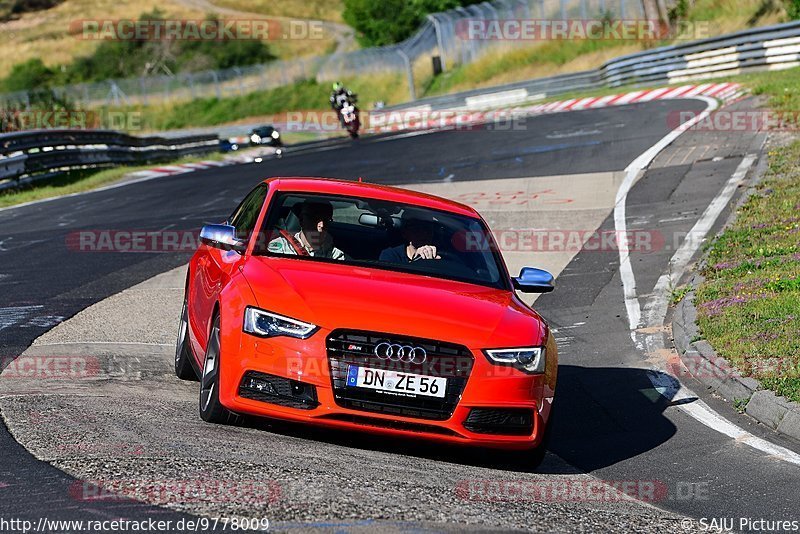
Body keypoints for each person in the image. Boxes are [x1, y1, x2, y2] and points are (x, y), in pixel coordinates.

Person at [268, 201, 346, 260]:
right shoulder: (281, 248)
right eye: (315, 219)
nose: (321, 225)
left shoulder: (335, 256)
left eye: (326, 220)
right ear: (302, 221)